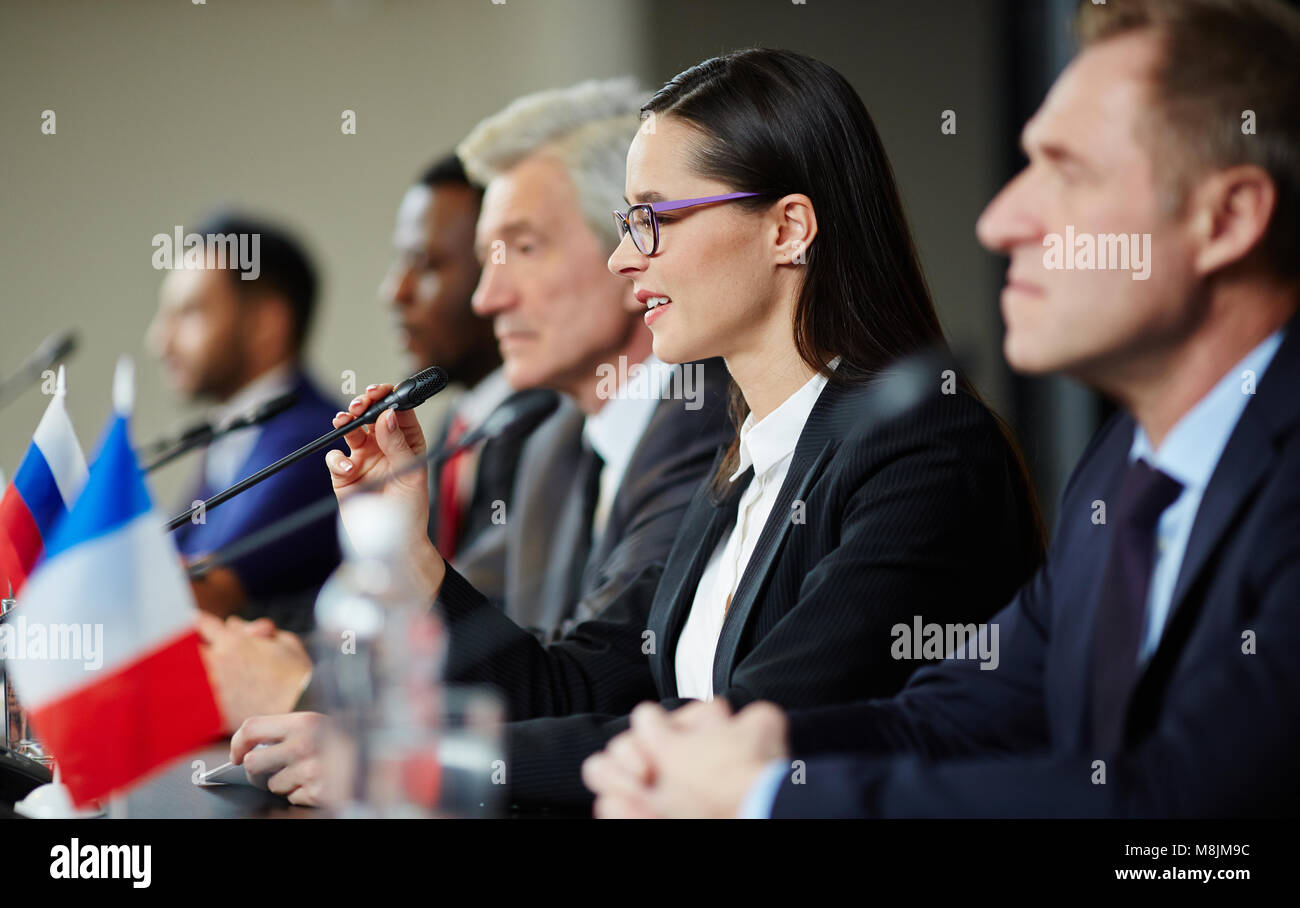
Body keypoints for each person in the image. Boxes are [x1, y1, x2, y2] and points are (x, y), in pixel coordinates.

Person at [231, 50, 1044, 810]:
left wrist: (411, 762)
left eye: (653, 219)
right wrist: (411, 553)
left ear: (789, 229)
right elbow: (587, 689)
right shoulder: (749, 452)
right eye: (625, 222)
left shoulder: (924, 452)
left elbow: (745, 740)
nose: (624, 259)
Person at [582, 0, 1300, 818]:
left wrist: (768, 794)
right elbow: (959, 715)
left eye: (1066, 172)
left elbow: (1188, 822)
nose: (1000, 221)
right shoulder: (1123, 471)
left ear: (1227, 219)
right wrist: (756, 750)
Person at [148, 213, 341, 632]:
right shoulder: (228, 435)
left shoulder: (314, 442)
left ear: (265, 324)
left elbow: (200, 597)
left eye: (190, 313)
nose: (159, 340)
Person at [381, 152, 532, 605]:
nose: (395, 290)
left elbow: (482, 605)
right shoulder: (457, 425)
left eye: (425, 264)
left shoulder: (545, 425)